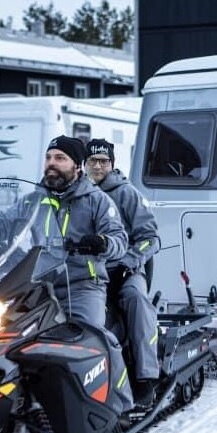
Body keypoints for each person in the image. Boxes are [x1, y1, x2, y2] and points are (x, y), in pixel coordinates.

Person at [0, 135, 133, 411]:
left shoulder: (97, 201)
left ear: (77, 165)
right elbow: (3, 222)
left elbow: (120, 240)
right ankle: (9, 403)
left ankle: (120, 405)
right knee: (0, 335)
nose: (51, 163)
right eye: (48, 157)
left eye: (60, 158)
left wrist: (102, 242)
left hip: (82, 285)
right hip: (39, 285)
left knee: (95, 338)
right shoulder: (34, 200)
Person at [85, 138, 161, 409]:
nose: (98, 166)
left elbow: (150, 238)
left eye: (103, 161)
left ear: (112, 164)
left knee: (136, 300)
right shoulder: (77, 194)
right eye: (92, 161)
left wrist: (128, 262)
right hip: (88, 273)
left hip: (125, 270)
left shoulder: (126, 193)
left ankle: (145, 375)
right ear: (84, 164)